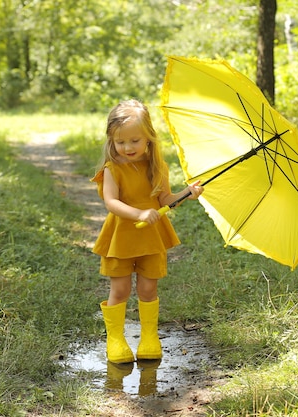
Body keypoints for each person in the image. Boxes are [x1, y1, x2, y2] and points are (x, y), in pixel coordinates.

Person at [91, 99, 203, 363]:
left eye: (134, 141)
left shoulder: (157, 167)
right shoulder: (112, 168)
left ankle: (149, 336)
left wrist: (187, 194)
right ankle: (116, 339)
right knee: (120, 289)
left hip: (151, 237)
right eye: (120, 142)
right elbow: (111, 202)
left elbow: (165, 198)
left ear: (149, 139)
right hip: (121, 235)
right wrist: (139, 213)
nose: (127, 147)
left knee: (148, 288)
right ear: (111, 141)